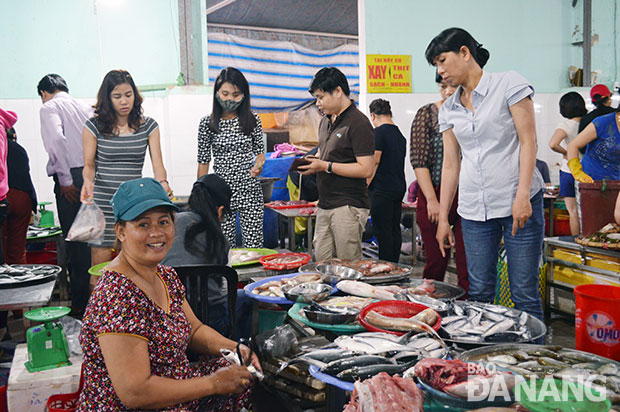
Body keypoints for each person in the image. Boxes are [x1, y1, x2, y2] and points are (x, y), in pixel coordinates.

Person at [78, 177, 259, 411]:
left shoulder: (165, 275)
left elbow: (194, 330)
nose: (157, 233)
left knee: (245, 377)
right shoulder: (116, 293)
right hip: (134, 405)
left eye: (164, 222)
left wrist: (235, 348)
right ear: (121, 231)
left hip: (175, 384)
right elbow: (135, 392)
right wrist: (213, 384)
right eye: (143, 224)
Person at [427, 28, 546, 321]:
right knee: (479, 292)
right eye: (436, 66)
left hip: (517, 201)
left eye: (443, 61)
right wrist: (444, 217)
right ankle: (486, 363)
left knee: (524, 292)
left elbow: (528, 141)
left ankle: (531, 364)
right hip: (473, 211)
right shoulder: (449, 109)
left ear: (465, 53)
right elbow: (451, 164)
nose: (441, 71)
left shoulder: (508, 84)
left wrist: (522, 195)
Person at [80, 69, 172, 268]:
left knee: (132, 264)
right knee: (100, 266)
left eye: (128, 95)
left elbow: (158, 165)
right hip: (103, 202)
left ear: (135, 96)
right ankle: (97, 300)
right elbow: (89, 166)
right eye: (117, 96)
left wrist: (163, 183)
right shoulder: (93, 127)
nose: (124, 101)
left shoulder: (148, 126)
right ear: (107, 98)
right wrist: (87, 182)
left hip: (132, 204)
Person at [163, 174, 252, 339]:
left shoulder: (168, 226)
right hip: (213, 323)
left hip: (170, 322)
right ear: (220, 211)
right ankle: (238, 351)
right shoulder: (218, 240)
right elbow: (224, 288)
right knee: (247, 298)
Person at [299, 67, 375, 261]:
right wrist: (315, 162)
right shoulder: (325, 121)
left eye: (321, 97)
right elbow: (327, 155)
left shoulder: (359, 123)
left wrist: (325, 166)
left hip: (348, 205)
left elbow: (366, 168)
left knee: (348, 268)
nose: (318, 104)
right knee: (323, 264)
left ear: (338, 91)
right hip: (325, 204)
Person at [37, 73, 93, 314]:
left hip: (71, 178)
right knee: (94, 243)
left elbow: (57, 141)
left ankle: (81, 308)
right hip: (92, 177)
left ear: (43, 92)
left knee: (76, 245)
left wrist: (65, 179)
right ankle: (97, 304)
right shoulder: (85, 107)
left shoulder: (49, 107)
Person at [410, 75, 468, 294]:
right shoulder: (427, 114)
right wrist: (433, 201)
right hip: (432, 192)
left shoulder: (469, 114)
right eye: (444, 86)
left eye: (454, 86)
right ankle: (428, 308)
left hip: (465, 195)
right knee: (436, 260)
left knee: (467, 261)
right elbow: (419, 161)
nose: (448, 91)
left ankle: (466, 310)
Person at [197, 67, 265, 248]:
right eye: (225, 94)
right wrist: (201, 195)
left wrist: (258, 166)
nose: (230, 99)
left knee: (254, 246)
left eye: (236, 95)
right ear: (216, 93)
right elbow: (203, 161)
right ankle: (228, 278)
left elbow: (260, 154)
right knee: (225, 248)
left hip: (249, 190)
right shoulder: (207, 124)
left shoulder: (253, 120)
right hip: (220, 194)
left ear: (244, 95)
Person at [367, 99, 406, 263]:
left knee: (382, 232)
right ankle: (395, 266)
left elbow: (375, 162)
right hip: (398, 188)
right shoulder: (400, 135)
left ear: (373, 115)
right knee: (394, 229)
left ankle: (385, 268)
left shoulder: (379, 133)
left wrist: (365, 185)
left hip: (382, 189)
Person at [548, 92, 587, 235]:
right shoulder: (589, 123)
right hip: (587, 172)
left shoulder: (566, 124)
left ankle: (577, 247)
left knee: (573, 212)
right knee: (589, 212)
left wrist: (566, 152)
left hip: (568, 171)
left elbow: (553, 144)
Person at [2, 128, 37, 264]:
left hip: (3, 197)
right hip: (23, 199)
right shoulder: (19, 149)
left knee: (2, 248)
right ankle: (22, 282)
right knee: (18, 249)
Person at [566, 108, 620, 183]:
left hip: (615, 182)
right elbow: (573, 145)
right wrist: (577, 172)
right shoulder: (603, 122)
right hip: (590, 181)